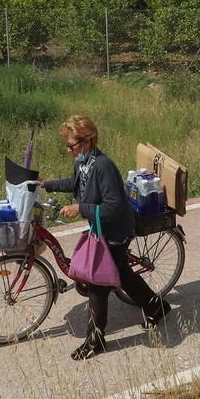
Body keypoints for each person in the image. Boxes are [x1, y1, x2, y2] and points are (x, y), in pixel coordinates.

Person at [40, 115, 172, 360]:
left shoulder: (103, 166)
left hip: (116, 230)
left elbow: (113, 208)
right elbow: (74, 183)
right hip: (102, 228)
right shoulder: (84, 162)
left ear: (87, 141)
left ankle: (95, 340)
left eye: (72, 145)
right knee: (122, 274)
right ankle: (157, 306)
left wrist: (81, 209)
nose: (69, 150)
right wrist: (45, 184)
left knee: (97, 286)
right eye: (67, 145)